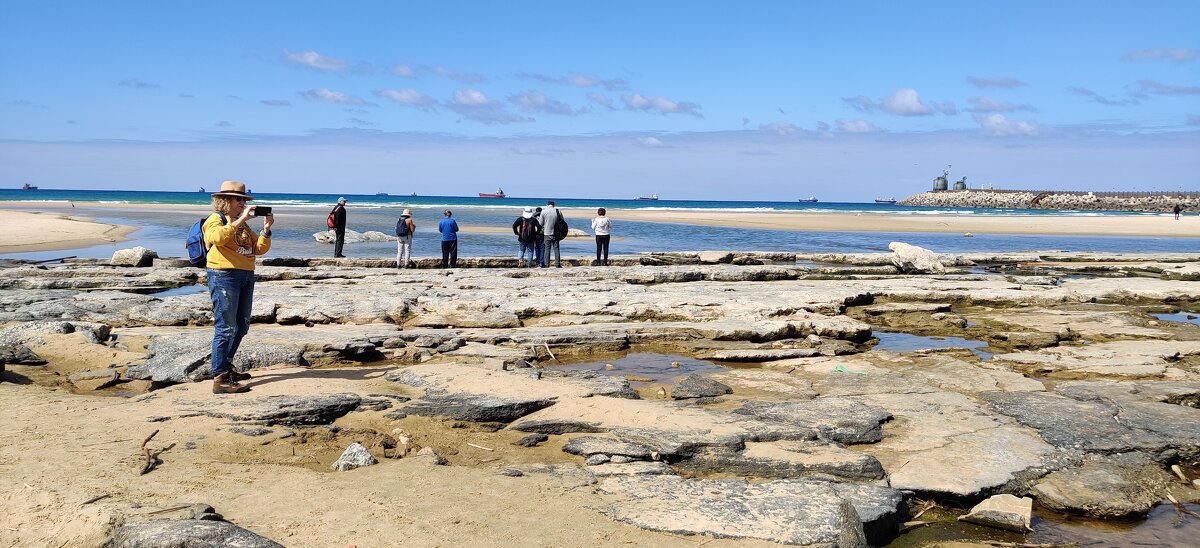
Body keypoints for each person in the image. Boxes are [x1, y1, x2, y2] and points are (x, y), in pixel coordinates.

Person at [204, 180, 273, 394]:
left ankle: (227, 367)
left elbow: (258, 249)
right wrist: (241, 219)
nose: (243, 203)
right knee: (225, 326)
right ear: (226, 200)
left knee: (241, 325)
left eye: (244, 200)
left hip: (245, 275)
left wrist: (266, 230)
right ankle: (220, 378)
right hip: (224, 275)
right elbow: (216, 238)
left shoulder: (241, 224)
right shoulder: (216, 219)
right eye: (239, 199)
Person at [537, 200, 562, 268]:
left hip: (547, 232)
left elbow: (540, 223)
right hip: (556, 233)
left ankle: (546, 264)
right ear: (554, 205)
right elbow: (562, 221)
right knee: (556, 248)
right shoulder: (558, 211)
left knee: (547, 248)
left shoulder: (544, 211)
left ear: (547, 205)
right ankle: (557, 264)